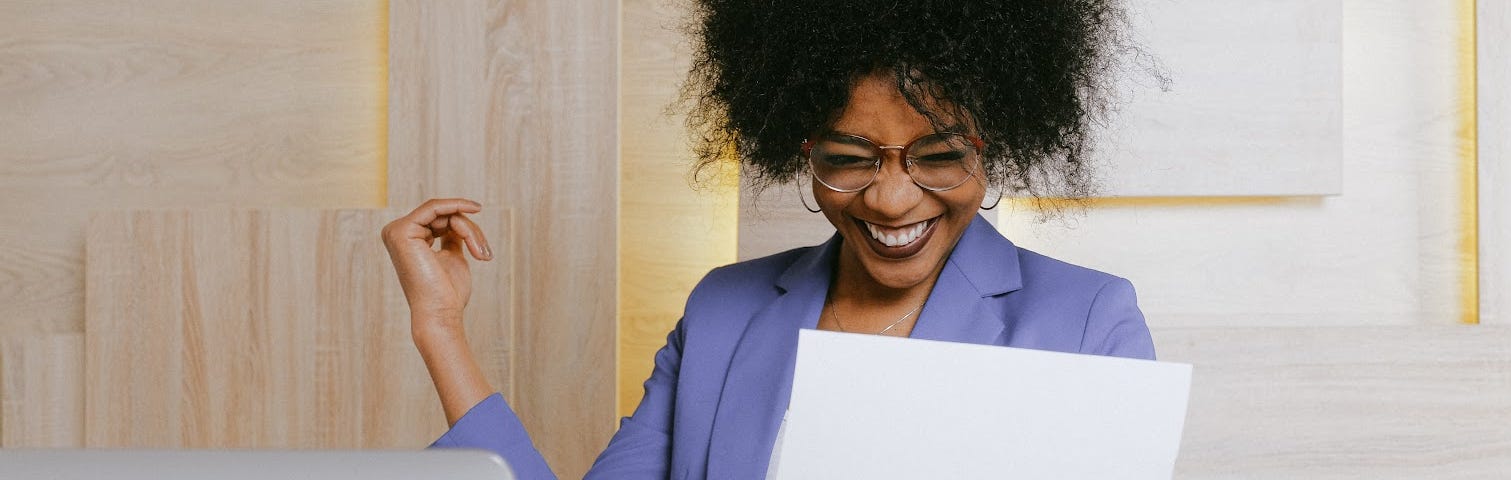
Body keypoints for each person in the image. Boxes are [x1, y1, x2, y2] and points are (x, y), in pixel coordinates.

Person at [380, 0, 1154, 478]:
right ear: (799, 147)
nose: (889, 198)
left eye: (940, 154)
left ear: (994, 145)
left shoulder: (1085, 322)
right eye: (848, 159)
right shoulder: (725, 310)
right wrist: (441, 330)